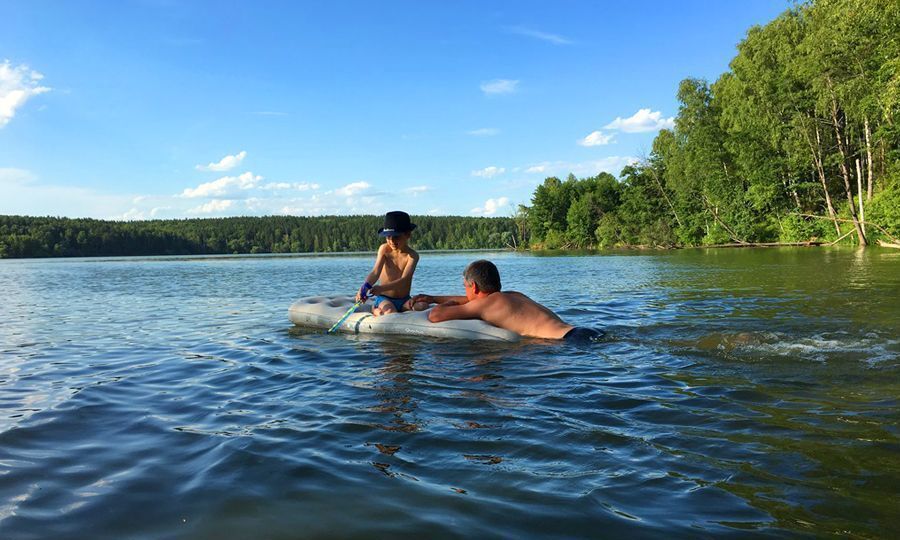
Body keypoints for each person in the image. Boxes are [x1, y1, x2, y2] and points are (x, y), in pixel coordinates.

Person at [411, 259, 603, 341]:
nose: (465, 292)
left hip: (567, 343)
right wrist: (433, 297)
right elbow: (469, 301)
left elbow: (435, 316)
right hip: (583, 332)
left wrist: (445, 304)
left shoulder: (486, 305)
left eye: (465, 286)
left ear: (475, 287)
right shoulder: (514, 295)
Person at [355, 211, 426, 316]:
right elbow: (375, 272)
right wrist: (364, 287)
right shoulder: (384, 249)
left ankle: (397, 309)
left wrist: (381, 288)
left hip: (404, 299)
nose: (392, 241)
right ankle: (374, 309)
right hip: (385, 297)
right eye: (388, 237)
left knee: (423, 306)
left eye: (396, 236)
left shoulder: (412, 256)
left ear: (407, 235)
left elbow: (404, 280)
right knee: (390, 312)